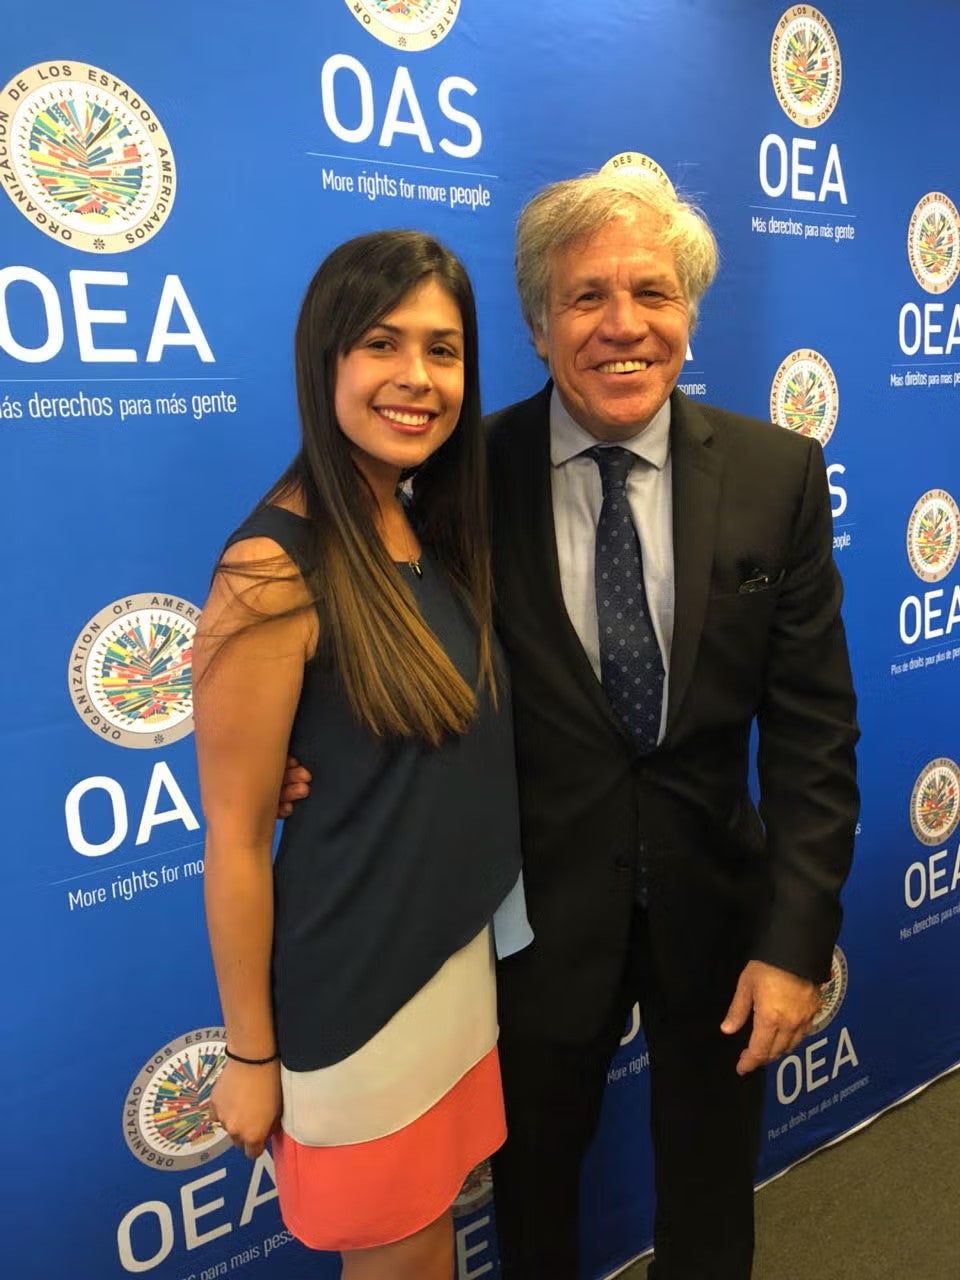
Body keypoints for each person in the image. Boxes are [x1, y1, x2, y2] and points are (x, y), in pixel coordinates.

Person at [281, 172, 860, 1280]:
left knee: (710, 1203)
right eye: (586, 297)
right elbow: (360, 603)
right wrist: (296, 756)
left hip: (719, 919)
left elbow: (814, 733)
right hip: (526, 924)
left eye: (654, 291)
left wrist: (794, 942)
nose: (623, 323)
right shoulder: (458, 476)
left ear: (690, 315)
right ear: (541, 328)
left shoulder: (776, 473)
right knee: (535, 1203)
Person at [193, 230, 530, 1280]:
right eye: (383, 344)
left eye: (444, 349)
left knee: (432, 1238)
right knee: (396, 1255)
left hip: (449, 957)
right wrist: (251, 1052)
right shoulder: (268, 567)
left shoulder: (418, 517)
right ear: (324, 356)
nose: (418, 379)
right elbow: (237, 838)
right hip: (358, 986)